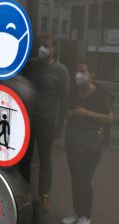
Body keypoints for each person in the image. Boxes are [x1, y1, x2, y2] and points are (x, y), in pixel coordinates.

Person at [22, 34, 70, 212]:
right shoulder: (32, 64)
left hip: (47, 120)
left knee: (45, 158)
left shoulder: (61, 70)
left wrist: (59, 125)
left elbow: (65, 100)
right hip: (28, 118)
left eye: (47, 46)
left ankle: (44, 195)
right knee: (25, 158)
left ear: (54, 49)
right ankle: (24, 193)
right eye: (41, 45)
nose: (42, 49)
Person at [61, 61, 113, 224]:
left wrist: (85, 113)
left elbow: (109, 118)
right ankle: (76, 213)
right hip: (73, 140)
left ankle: (86, 216)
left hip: (91, 142)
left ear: (92, 75)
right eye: (77, 71)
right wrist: (70, 114)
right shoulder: (74, 91)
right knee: (75, 178)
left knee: (84, 179)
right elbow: (66, 112)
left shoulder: (101, 93)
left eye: (82, 72)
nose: (78, 75)